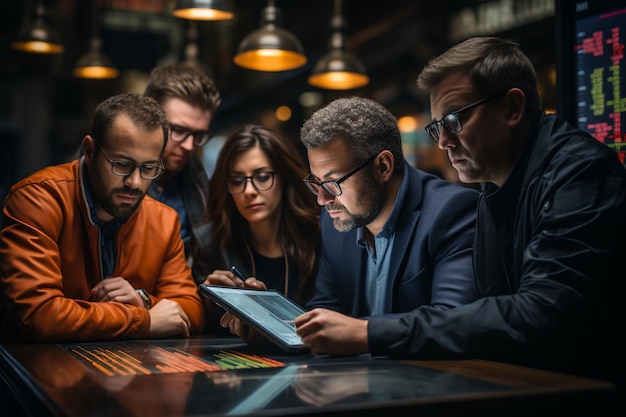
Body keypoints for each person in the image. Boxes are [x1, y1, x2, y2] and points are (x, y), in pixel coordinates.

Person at [301, 37, 626, 387]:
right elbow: (488, 313)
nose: (443, 142)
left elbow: (541, 312)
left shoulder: (580, 170)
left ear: (512, 108)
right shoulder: (492, 187)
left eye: (454, 121)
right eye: (437, 126)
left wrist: (370, 333)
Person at [0, 93, 205, 341]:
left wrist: (142, 300)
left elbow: (191, 311)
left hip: (126, 371)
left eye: (149, 168)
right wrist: (143, 319)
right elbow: (40, 314)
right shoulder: (37, 200)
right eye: (121, 164)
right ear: (89, 150)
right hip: (35, 369)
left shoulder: (163, 220)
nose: (135, 182)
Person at [293, 96, 480, 355]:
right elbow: (327, 307)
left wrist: (362, 332)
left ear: (383, 166)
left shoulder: (452, 211)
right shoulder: (335, 218)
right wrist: (279, 335)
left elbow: (453, 321)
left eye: (333, 183)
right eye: (316, 183)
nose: (322, 199)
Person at [193, 124, 321, 335]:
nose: (249, 191)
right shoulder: (211, 241)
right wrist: (210, 302)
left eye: (262, 177)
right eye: (237, 180)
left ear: (284, 178)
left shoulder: (318, 235)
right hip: (239, 363)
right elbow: (206, 333)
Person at [143, 63, 221, 265]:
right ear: (147, 115)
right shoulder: (107, 173)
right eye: (177, 130)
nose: (189, 146)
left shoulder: (197, 181)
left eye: (198, 135)